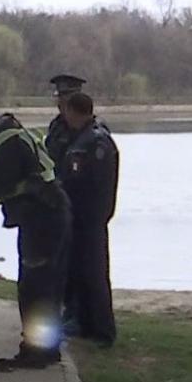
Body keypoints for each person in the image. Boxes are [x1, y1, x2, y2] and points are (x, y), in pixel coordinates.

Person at [0, 110, 71, 366]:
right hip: (47, 215)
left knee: (35, 289)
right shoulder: (10, 135)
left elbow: (3, 186)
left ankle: (38, 351)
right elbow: (13, 179)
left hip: (42, 219)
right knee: (44, 287)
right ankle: (44, 349)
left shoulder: (6, 142)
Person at [58, 93, 119, 346]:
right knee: (76, 274)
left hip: (90, 219)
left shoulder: (96, 142)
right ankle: (83, 323)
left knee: (94, 276)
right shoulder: (79, 138)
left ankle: (103, 332)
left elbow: (98, 185)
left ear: (74, 111)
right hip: (76, 218)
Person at [44, 74, 86, 164]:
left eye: (64, 100)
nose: (59, 103)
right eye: (59, 98)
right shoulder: (56, 126)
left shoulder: (89, 128)